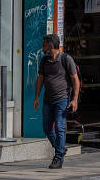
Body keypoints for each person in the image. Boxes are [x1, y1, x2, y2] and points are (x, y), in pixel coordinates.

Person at [34, 33, 80, 168]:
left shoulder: (66, 59)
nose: (42, 46)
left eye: (44, 44)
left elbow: (75, 80)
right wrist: (37, 96)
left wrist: (74, 99)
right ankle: (60, 148)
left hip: (62, 99)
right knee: (47, 128)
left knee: (59, 127)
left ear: (50, 45)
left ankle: (58, 157)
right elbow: (40, 79)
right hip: (48, 100)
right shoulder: (44, 60)